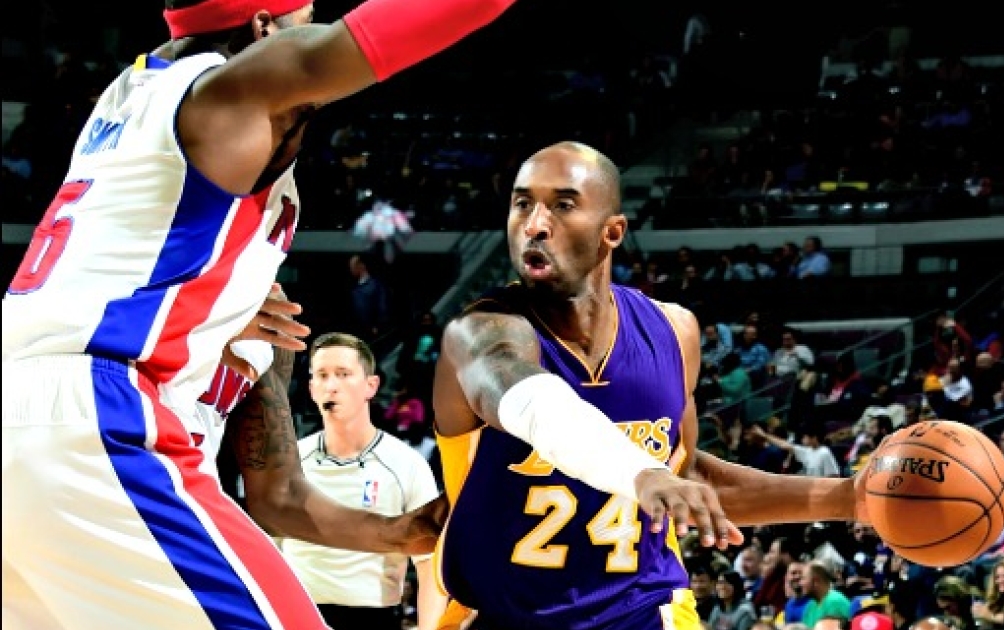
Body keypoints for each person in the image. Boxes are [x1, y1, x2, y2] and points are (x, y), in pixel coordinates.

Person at [1, 0, 516, 627]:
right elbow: (374, 38)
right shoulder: (225, 91)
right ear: (264, 30)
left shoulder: (133, 106)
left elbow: (277, 496)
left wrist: (402, 530)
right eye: (306, 21)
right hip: (94, 417)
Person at [432, 141, 872, 630]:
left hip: (646, 610)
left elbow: (685, 482)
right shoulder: (478, 333)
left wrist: (850, 498)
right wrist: (644, 473)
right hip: (504, 615)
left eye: (563, 204)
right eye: (522, 204)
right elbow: (535, 404)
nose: (534, 224)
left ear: (612, 231)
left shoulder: (675, 332)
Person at [279, 333, 443, 630]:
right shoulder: (288, 462)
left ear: (371, 385)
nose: (332, 385)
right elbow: (267, 553)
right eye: (322, 375)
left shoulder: (407, 465)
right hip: (297, 615)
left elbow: (429, 565)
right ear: (312, 389)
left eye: (343, 374)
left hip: (371, 619)